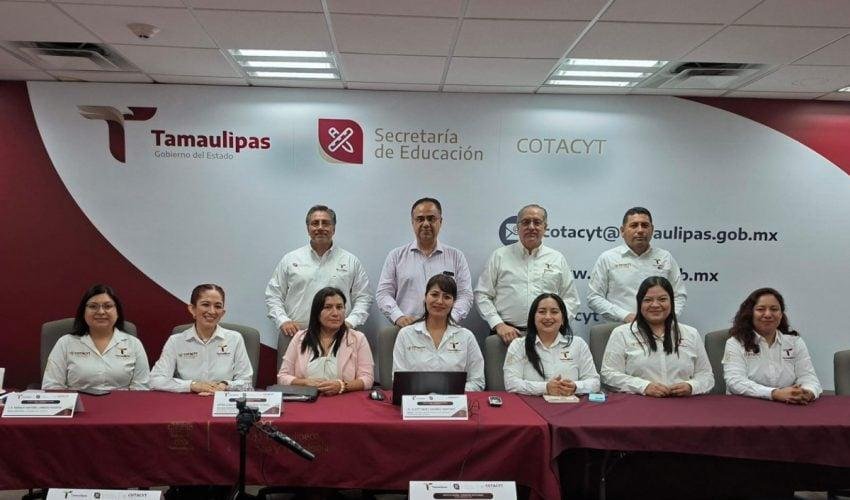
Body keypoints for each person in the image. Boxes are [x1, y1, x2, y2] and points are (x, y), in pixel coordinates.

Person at [475, 204, 581, 344]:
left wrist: (555, 325)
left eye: (537, 222)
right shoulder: (499, 256)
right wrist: (498, 324)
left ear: (545, 227)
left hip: (548, 337)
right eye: (525, 222)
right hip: (506, 336)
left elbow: (571, 299)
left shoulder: (557, 258)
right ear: (517, 227)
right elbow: (482, 294)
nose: (531, 227)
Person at [265, 205, 372, 336]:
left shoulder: (350, 261)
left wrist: (350, 322)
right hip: (297, 334)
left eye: (325, 223)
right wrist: (283, 320)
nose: (320, 227)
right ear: (308, 229)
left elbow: (363, 297)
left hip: (339, 335)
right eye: (315, 223)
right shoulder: (290, 259)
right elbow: (273, 294)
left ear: (334, 229)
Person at [601, 276, 713, 396]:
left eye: (662, 299)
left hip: (682, 403)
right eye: (648, 300)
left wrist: (691, 386)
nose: (655, 305)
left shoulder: (691, 334)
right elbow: (608, 375)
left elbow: (706, 376)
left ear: (671, 302)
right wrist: (644, 387)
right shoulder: (621, 333)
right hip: (638, 402)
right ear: (639, 303)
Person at [376, 197, 473, 326]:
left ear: (440, 222)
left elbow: (465, 295)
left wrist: (450, 319)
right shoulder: (396, 256)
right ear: (412, 222)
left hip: (445, 329)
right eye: (420, 219)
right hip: (406, 328)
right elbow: (384, 293)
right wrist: (398, 317)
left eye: (431, 219)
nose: (426, 224)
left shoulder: (456, 257)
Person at [588, 207, 687, 323]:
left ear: (652, 230)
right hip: (620, 326)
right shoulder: (608, 258)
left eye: (645, 225)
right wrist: (625, 316)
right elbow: (594, 298)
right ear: (622, 231)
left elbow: (679, 295)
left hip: (659, 328)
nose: (640, 230)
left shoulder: (665, 257)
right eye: (634, 225)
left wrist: (667, 319)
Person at [42, 284, 150, 391]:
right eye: (93, 306)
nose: (101, 312)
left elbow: (141, 388)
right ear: (83, 312)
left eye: (107, 306)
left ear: (117, 312)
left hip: (122, 402)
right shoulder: (65, 343)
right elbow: (52, 386)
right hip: (78, 402)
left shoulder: (134, 344)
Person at [723, 287, 822, 403]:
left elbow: (809, 378)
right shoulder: (735, 343)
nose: (768, 314)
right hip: (747, 405)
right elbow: (735, 381)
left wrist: (807, 393)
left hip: (788, 404)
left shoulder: (795, 342)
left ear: (781, 315)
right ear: (750, 314)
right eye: (761, 309)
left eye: (774, 309)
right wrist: (774, 393)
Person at [150, 284, 253, 393]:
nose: (212, 311)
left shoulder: (235, 339)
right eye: (205, 304)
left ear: (223, 312)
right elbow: (155, 380)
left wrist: (225, 385)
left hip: (222, 399)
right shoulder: (176, 341)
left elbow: (246, 382)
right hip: (187, 401)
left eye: (218, 306)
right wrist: (192, 385)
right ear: (192, 309)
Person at [393, 274, 485, 391]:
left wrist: (452, 394)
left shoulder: (466, 337)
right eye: (434, 295)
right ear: (425, 297)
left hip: (455, 400)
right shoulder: (405, 335)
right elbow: (399, 380)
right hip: (415, 400)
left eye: (447, 297)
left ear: (453, 302)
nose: (440, 301)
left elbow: (477, 381)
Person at [278, 287, 374, 395]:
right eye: (328, 307)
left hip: (343, 400)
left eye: (339, 307)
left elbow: (367, 379)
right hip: (306, 400)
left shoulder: (358, 339)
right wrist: (304, 383)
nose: (335, 313)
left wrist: (342, 386)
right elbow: (282, 377)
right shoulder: (300, 338)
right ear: (317, 312)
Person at [504, 293, 599, 396]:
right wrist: (545, 388)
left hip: (570, 403)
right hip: (530, 404)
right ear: (533, 318)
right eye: (542, 312)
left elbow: (595, 383)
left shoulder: (578, 344)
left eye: (554, 312)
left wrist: (575, 387)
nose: (548, 317)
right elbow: (511, 384)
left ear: (563, 319)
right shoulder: (518, 345)